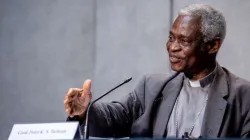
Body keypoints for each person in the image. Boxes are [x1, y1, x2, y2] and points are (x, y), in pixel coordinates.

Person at [64, 4, 250, 138]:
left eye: (184, 41)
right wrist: (84, 110)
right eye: (171, 38)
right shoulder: (152, 86)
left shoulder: (243, 96)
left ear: (212, 46)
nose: (172, 47)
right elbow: (116, 117)